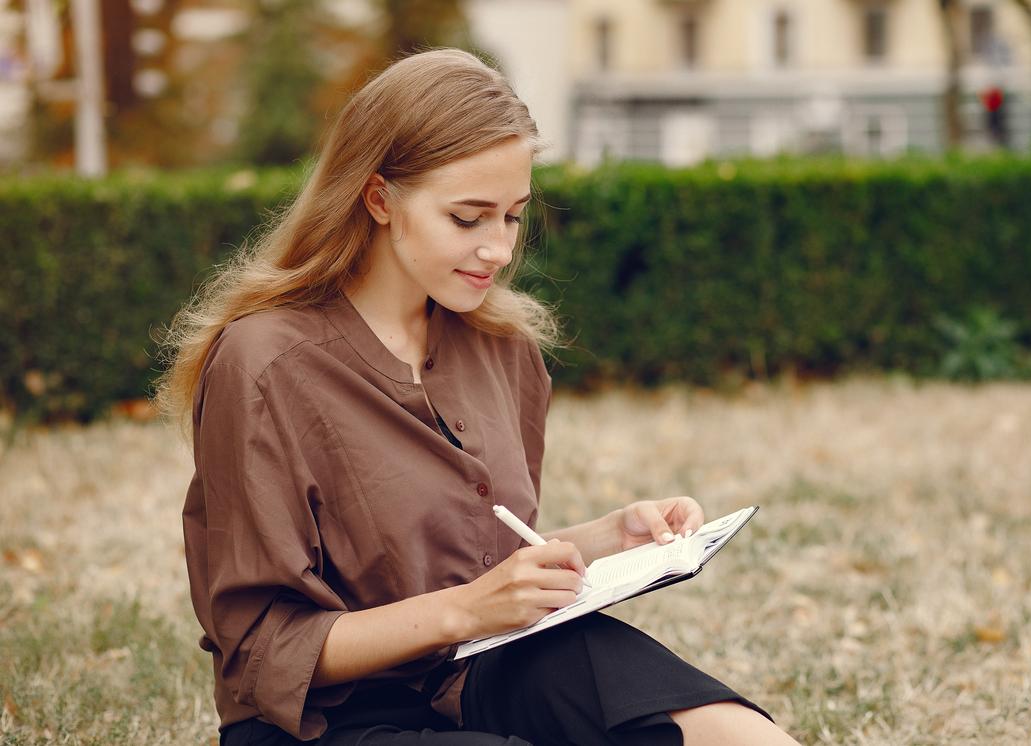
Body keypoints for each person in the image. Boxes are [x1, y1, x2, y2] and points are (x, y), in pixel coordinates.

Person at [156, 48, 799, 746]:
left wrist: (606, 540)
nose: (498, 249)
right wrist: (468, 611)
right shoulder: (264, 363)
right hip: (326, 723)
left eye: (513, 217)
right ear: (378, 199)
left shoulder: (503, 347)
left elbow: (472, 562)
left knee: (723, 731)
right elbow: (261, 650)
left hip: (481, 671)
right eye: (468, 218)